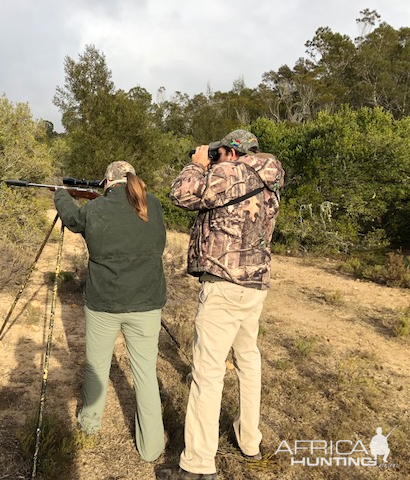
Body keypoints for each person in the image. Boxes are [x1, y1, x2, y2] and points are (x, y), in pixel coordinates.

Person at [156, 130, 284, 480]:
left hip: (225, 285)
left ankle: (197, 466)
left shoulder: (231, 172)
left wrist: (196, 164)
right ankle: (250, 441)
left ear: (230, 152)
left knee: (208, 374)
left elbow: (182, 195)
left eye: (220, 152)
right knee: (248, 361)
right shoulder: (269, 180)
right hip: (255, 284)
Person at [54, 160, 167, 462]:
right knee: (145, 374)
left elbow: (72, 219)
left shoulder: (96, 210)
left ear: (107, 182)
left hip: (105, 302)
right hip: (147, 302)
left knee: (97, 366)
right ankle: (152, 447)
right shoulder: (153, 204)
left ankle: (88, 427)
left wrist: (62, 193)